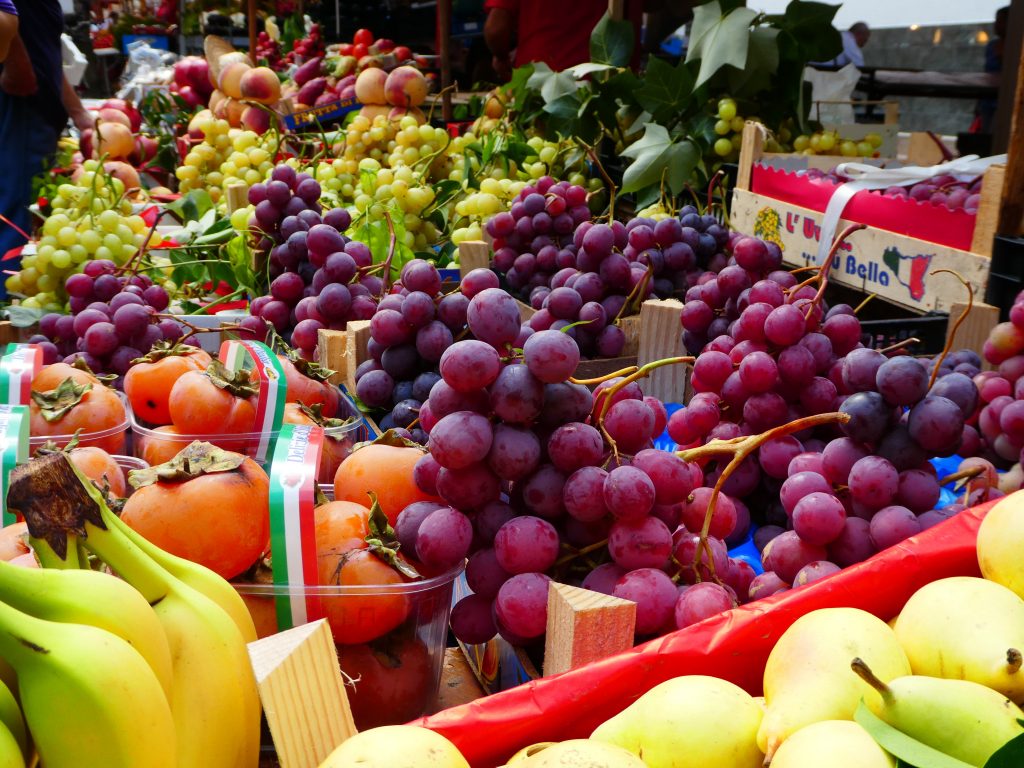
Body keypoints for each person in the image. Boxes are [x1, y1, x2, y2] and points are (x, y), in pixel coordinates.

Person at [0, 0, 93, 265]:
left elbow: (45, 51)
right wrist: (16, 60)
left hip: (37, 111)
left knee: (23, 211)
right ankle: (4, 298)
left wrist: (77, 112)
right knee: (12, 219)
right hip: (21, 104)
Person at [483, 0, 644, 80]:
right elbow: (654, 4)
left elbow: (496, 30)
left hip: (540, 83)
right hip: (613, 90)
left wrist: (501, 56)